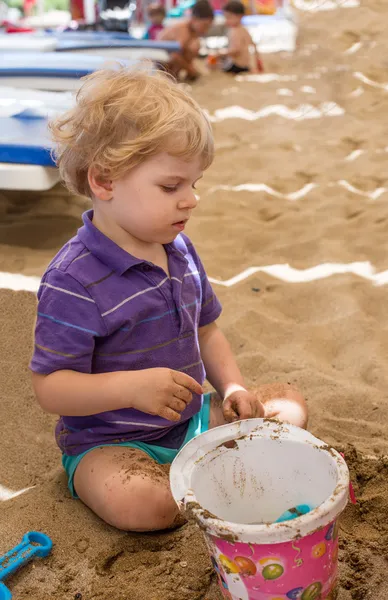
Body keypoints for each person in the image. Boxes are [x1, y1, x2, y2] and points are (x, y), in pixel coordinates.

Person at [30, 66, 308, 532]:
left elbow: (207, 330)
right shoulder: (72, 280)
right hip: (111, 443)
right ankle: (208, 480)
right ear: (104, 181)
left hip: (192, 420)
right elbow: (50, 386)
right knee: (148, 505)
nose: (191, 200)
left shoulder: (177, 248)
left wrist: (235, 388)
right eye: (171, 186)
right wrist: (131, 388)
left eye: (194, 184)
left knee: (289, 405)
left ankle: (209, 470)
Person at [159, 0, 214, 81]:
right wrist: (191, 70)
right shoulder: (184, 30)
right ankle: (172, 75)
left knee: (195, 46)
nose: (206, 30)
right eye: (204, 25)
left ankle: (175, 74)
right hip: (158, 60)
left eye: (209, 27)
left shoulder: (192, 31)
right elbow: (174, 56)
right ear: (194, 19)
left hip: (166, 58)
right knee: (194, 47)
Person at [219, 0, 261, 74]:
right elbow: (253, 44)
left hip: (236, 66)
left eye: (229, 17)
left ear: (240, 16)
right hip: (246, 65)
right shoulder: (244, 30)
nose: (226, 21)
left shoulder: (235, 31)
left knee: (217, 63)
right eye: (225, 17)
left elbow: (236, 51)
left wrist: (221, 54)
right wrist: (257, 61)